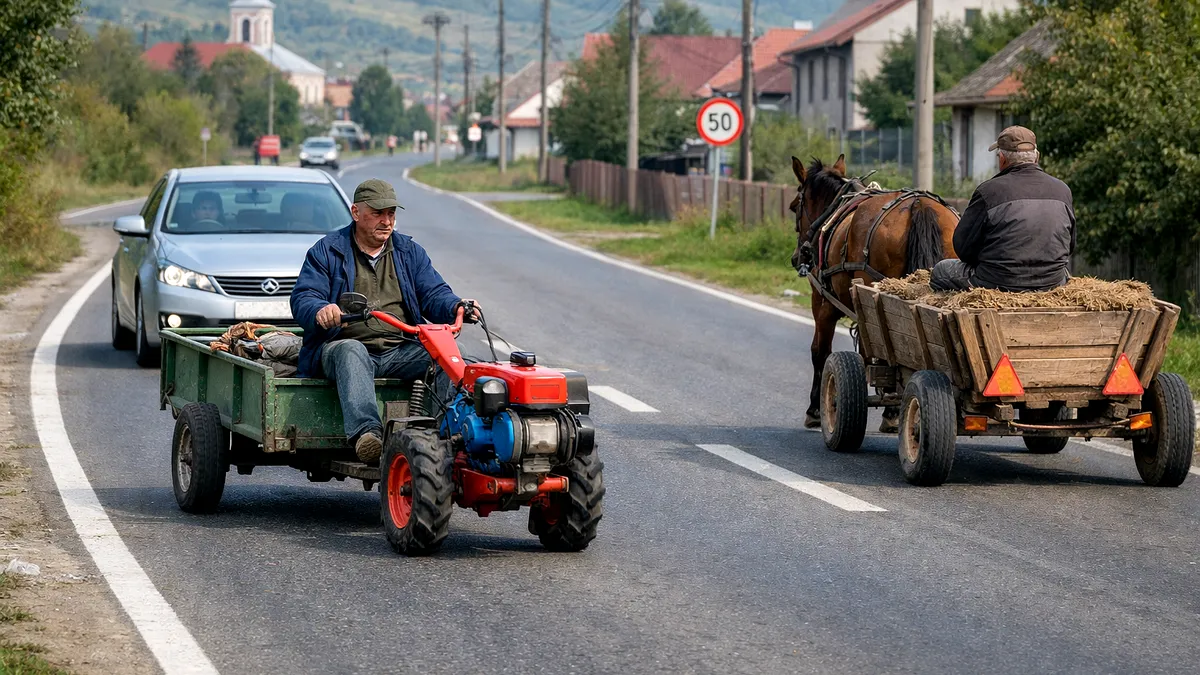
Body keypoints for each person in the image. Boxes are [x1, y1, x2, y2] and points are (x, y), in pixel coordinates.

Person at [290, 179, 481, 464]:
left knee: (452, 353)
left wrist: (456, 305)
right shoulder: (327, 250)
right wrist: (321, 309)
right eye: (378, 213)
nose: (387, 221)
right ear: (356, 213)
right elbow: (304, 296)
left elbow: (434, 293)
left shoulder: (408, 251)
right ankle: (367, 435)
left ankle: (442, 434)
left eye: (391, 213)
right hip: (342, 347)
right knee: (350, 349)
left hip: (400, 350)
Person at [930, 126, 1076, 293]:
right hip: (1052, 282)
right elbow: (1070, 245)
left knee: (940, 270)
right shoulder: (1063, 190)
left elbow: (963, 249)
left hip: (997, 282)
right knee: (1065, 272)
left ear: (1002, 159)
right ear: (1037, 157)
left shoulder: (988, 192)